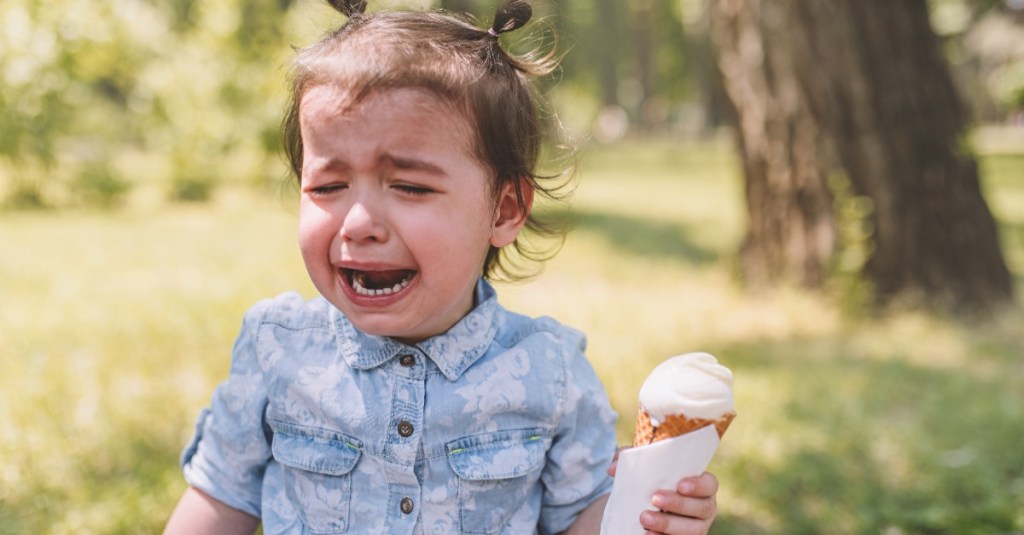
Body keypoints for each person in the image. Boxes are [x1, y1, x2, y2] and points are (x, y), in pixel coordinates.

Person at [164, 1, 719, 533]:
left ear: (503, 210)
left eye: (409, 186)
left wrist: (648, 515)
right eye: (329, 186)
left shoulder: (548, 374)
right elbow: (218, 499)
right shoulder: (277, 349)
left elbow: (580, 520)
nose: (358, 222)